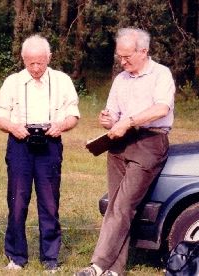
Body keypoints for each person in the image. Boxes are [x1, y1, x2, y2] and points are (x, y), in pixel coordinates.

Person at [74, 27, 175, 276]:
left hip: (150, 141)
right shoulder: (121, 79)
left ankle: (97, 265)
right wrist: (108, 120)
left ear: (144, 51)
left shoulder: (161, 75)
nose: (122, 61)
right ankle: (115, 270)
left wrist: (128, 121)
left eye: (127, 56)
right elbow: (113, 115)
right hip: (119, 142)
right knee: (116, 205)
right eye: (119, 56)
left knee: (123, 205)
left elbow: (161, 108)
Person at [0, 34, 80, 271]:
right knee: (18, 200)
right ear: (23, 59)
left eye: (40, 62)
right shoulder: (12, 82)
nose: (35, 68)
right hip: (20, 143)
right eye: (30, 63)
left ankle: (50, 258)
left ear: (49, 58)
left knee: (50, 201)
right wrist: (13, 127)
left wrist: (60, 126)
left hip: (50, 143)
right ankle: (16, 256)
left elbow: (73, 115)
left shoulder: (62, 81)